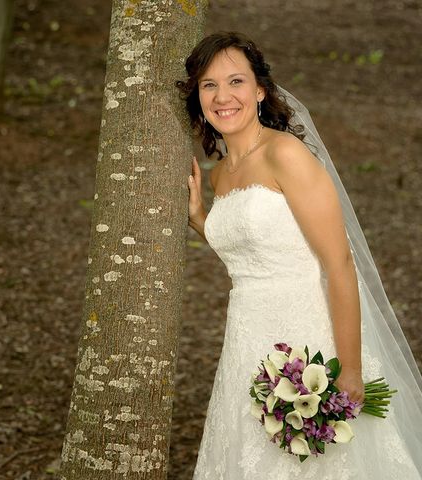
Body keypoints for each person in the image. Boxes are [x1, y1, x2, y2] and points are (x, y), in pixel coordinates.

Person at [176, 31, 422, 479]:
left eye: (235, 82)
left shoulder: (285, 153)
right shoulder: (222, 176)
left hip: (309, 339)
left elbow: (339, 263)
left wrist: (348, 370)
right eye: (209, 85)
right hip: (247, 343)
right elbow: (256, 260)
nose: (222, 96)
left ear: (260, 90)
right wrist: (202, 222)